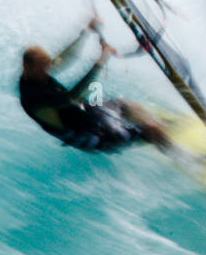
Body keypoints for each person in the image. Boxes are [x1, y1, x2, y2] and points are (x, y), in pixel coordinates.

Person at [19, 17, 172, 153]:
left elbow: (63, 59)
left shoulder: (36, 73)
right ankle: (189, 159)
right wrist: (101, 61)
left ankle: (165, 127)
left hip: (91, 114)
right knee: (152, 130)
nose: (48, 70)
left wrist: (85, 32)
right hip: (93, 135)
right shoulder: (33, 99)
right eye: (43, 68)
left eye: (47, 66)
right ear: (28, 67)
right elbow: (73, 96)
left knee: (127, 106)